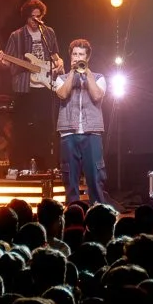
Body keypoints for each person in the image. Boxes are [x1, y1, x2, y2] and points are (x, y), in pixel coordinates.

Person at [0, 0, 62, 178]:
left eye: (39, 17)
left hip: (45, 86)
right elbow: (7, 62)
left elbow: (55, 56)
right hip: (24, 87)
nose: (36, 20)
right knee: (21, 128)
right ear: (26, 17)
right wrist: (1, 60)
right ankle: (17, 165)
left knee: (46, 127)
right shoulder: (16, 36)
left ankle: (47, 166)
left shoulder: (49, 33)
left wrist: (59, 64)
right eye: (32, 18)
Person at [50, 38, 109, 205]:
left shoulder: (98, 77)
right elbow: (62, 94)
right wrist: (72, 73)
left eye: (81, 54)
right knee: (70, 178)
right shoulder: (62, 78)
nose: (77, 57)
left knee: (95, 176)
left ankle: (97, 213)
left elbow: (97, 95)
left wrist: (86, 72)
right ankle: (73, 213)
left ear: (87, 57)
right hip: (69, 132)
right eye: (74, 54)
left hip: (92, 133)